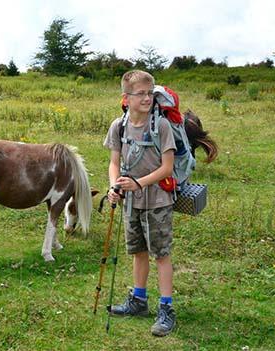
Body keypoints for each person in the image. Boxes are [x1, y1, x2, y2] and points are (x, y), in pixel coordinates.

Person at [103, 70, 177, 337]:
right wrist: (115, 186)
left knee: (161, 254)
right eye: (141, 94)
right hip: (131, 202)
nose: (147, 98)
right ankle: (139, 300)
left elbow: (167, 168)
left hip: (157, 200)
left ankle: (166, 308)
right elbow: (114, 162)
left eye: (150, 93)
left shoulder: (162, 126)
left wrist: (139, 183)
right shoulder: (118, 126)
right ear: (126, 97)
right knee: (138, 251)